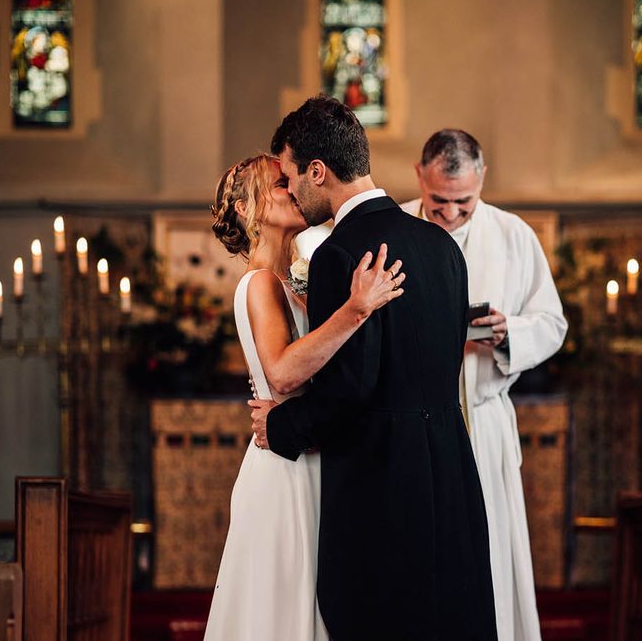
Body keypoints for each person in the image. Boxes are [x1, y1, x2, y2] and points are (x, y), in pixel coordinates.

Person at [250, 97, 497, 641]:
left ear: (318, 171)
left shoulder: (340, 254)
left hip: (382, 487)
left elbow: (350, 391)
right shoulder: (443, 248)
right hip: (452, 474)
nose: (289, 190)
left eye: (290, 177)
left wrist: (281, 426)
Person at [204, 154, 406, 640]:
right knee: (283, 607)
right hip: (285, 469)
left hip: (312, 456)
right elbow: (284, 373)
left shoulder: (294, 280)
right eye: (280, 184)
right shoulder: (258, 283)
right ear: (252, 206)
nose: (294, 189)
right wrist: (357, 309)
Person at [402, 129, 568, 641]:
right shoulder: (397, 228)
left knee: (489, 546)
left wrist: (506, 332)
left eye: (463, 203)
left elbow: (551, 322)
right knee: (419, 548)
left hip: (484, 418)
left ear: (483, 181)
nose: (450, 215)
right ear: (419, 177)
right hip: (413, 423)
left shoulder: (513, 234)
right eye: (439, 202)